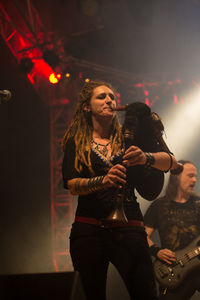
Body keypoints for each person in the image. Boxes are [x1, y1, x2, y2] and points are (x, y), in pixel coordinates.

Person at [61, 80, 179, 300]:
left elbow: (172, 163)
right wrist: (102, 181)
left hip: (130, 227)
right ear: (87, 106)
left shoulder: (128, 137)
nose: (109, 100)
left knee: (145, 294)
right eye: (101, 96)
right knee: (90, 294)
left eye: (112, 97)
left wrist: (146, 156)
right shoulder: (76, 140)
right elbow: (71, 184)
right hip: (89, 230)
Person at [144, 160, 200, 300]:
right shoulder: (159, 205)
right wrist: (157, 251)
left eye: (195, 176)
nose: (194, 180)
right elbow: (143, 236)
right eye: (190, 175)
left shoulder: (198, 204)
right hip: (173, 270)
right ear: (176, 177)